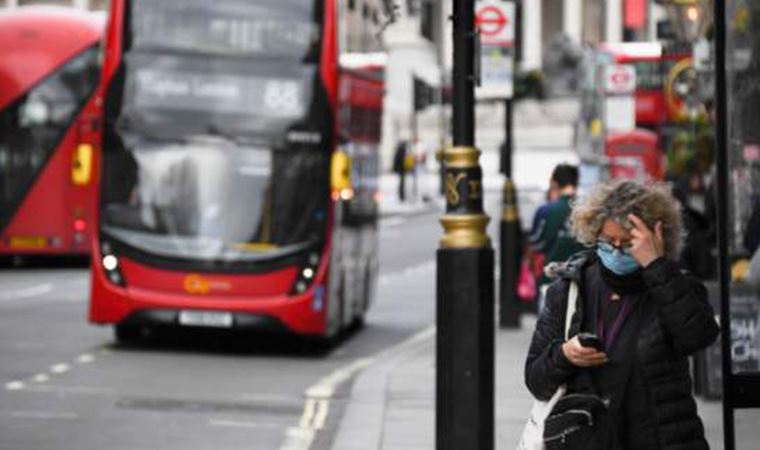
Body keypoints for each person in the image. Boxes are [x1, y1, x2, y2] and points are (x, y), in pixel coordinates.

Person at [524, 180, 719, 449]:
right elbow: (536, 380)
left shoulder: (673, 285)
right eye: (608, 242)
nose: (616, 251)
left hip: (661, 439)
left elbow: (698, 336)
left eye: (627, 244)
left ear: (654, 237)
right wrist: (564, 355)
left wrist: (656, 266)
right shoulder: (568, 289)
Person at [528, 164, 586, 308]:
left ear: (554, 183)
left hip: (551, 277)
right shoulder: (588, 209)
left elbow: (537, 243)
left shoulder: (546, 210)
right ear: (576, 182)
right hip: (583, 279)